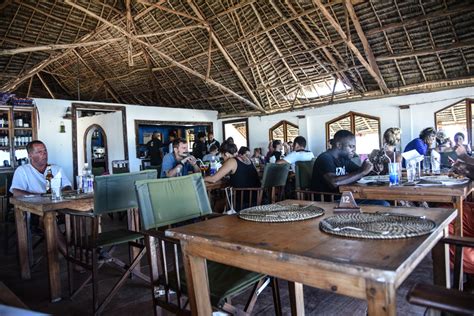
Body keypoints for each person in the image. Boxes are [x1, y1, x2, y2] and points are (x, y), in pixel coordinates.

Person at [205, 142, 260, 209]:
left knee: (218, 204)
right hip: (257, 197)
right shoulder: (246, 159)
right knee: (222, 201)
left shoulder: (231, 161)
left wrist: (201, 178)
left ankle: (220, 219)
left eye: (222, 156)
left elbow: (213, 179)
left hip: (244, 200)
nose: (222, 158)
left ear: (226, 154)